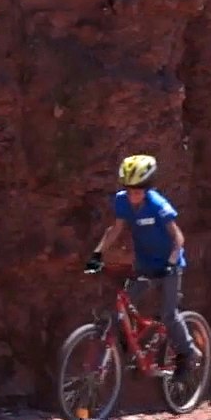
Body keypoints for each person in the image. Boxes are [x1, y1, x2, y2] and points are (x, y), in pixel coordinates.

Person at [85, 154, 199, 374]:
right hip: (145, 265)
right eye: (129, 191)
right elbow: (115, 230)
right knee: (124, 308)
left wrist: (171, 262)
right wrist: (97, 255)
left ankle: (189, 352)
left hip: (169, 266)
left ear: (147, 189)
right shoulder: (122, 201)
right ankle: (132, 352)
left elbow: (178, 238)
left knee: (168, 314)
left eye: (138, 191)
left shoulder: (158, 205)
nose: (133, 196)